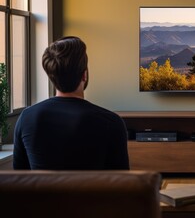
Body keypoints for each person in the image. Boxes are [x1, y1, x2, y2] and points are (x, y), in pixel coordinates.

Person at [13, 36, 129, 170]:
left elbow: (20, 180)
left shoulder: (27, 118)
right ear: (84, 75)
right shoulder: (111, 122)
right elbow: (122, 185)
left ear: (51, 75)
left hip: (41, 192)